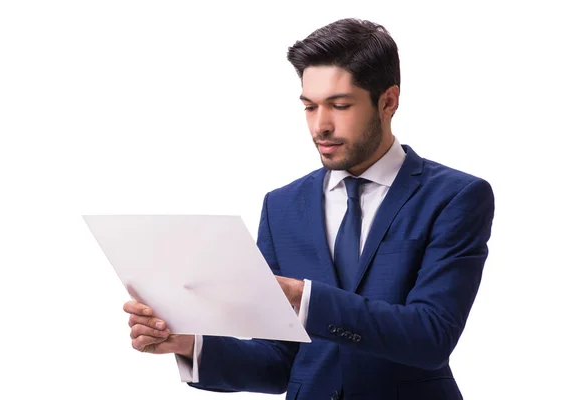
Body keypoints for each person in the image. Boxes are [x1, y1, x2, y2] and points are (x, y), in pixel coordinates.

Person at [123, 18, 495, 400]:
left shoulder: (455, 197)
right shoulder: (281, 206)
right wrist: (187, 343)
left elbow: (431, 337)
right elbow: (281, 361)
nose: (321, 126)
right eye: (309, 107)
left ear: (388, 101)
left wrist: (302, 297)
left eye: (339, 105)